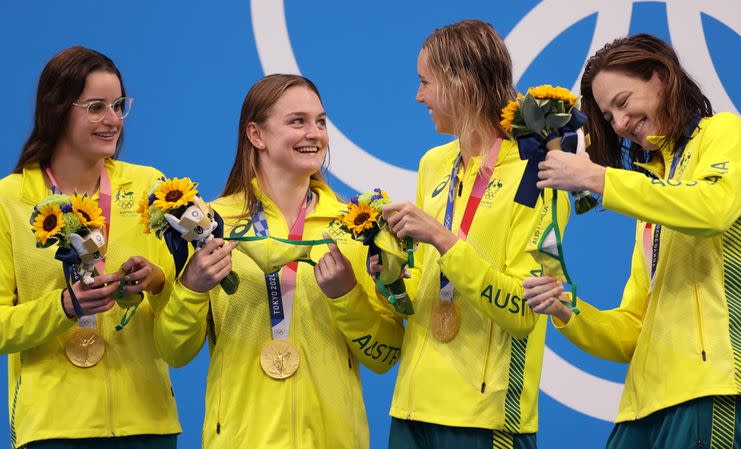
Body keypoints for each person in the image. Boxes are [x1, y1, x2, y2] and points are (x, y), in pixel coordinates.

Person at [524, 33, 741, 448]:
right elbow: (633, 328)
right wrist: (566, 309)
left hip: (712, 388)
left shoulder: (724, 133)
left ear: (661, 78)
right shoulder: (654, 196)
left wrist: (595, 177)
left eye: (623, 102)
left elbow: (711, 208)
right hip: (642, 407)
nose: (621, 123)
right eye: (609, 117)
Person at [153, 73, 404, 448]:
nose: (314, 133)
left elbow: (385, 356)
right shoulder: (211, 224)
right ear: (256, 135)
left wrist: (347, 296)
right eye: (297, 121)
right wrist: (191, 287)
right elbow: (174, 351)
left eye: (320, 121)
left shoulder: (354, 227)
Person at [379, 19, 569, 448]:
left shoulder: (539, 170)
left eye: (426, 82)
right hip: (411, 409)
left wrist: (445, 240)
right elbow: (428, 286)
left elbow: (525, 311)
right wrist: (389, 271)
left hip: (487, 419)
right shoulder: (433, 163)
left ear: (461, 81)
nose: (418, 95)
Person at [0, 46, 180, 448]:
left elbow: (182, 308)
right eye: (96, 107)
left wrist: (156, 281)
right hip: (54, 429)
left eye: (118, 105)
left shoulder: (151, 186)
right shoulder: (8, 200)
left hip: (148, 423)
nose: (113, 120)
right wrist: (65, 306)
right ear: (58, 110)